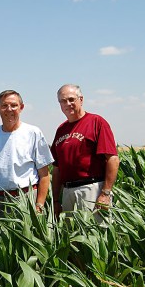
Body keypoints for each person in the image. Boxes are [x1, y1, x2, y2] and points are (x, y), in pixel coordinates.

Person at [0, 90, 54, 216]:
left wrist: (39, 205)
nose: (9, 109)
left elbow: (44, 174)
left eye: (14, 105)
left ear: (21, 107)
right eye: (4, 106)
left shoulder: (33, 133)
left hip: (26, 201)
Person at [51, 84, 120, 220]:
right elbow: (57, 168)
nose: (68, 104)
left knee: (94, 236)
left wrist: (105, 193)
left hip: (91, 190)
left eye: (71, 99)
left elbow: (113, 159)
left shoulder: (96, 122)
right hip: (68, 192)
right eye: (63, 101)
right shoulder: (61, 129)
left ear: (81, 99)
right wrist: (56, 200)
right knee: (71, 238)